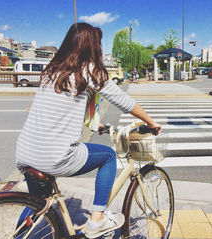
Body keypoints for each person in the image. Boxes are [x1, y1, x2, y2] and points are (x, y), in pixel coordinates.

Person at [15, 23, 162, 238]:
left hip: (25, 153)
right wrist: (151, 122)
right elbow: (124, 101)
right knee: (109, 157)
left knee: (39, 203)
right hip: (54, 156)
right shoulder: (89, 69)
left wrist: (96, 124)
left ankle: (18, 234)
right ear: (91, 46)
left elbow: (62, 107)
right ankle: (97, 220)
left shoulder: (52, 70)